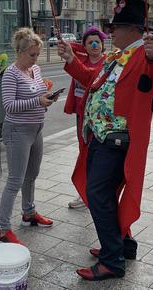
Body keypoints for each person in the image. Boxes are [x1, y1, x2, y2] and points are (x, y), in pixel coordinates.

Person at [57, 0, 153, 281]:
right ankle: (123, 244)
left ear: (135, 29)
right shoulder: (116, 56)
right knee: (105, 194)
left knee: (98, 196)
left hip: (116, 140)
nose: (110, 32)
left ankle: (112, 261)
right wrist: (72, 59)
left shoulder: (144, 55)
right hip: (101, 137)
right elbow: (90, 79)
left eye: (116, 27)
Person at [0, 27, 58, 245]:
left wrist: (47, 98)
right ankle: (4, 228)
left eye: (37, 55)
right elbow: (9, 106)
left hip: (36, 128)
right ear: (20, 52)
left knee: (32, 174)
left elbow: (39, 94)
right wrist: (38, 101)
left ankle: (29, 212)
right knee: (15, 180)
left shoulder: (36, 70)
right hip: (18, 131)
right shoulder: (10, 73)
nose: (35, 59)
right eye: (32, 55)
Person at [64, 26, 107, 210]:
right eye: (90, 43)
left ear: (104, 45)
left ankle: (92, 192)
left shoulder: (108, 62)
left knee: (94, 154)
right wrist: (81, 47)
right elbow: (70, 45)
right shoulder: (81, 58)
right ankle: (84, 192)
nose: (95, 45)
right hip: (81, 115)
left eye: (98, 41)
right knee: (84, 152)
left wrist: (88, 44)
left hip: (97, 117)